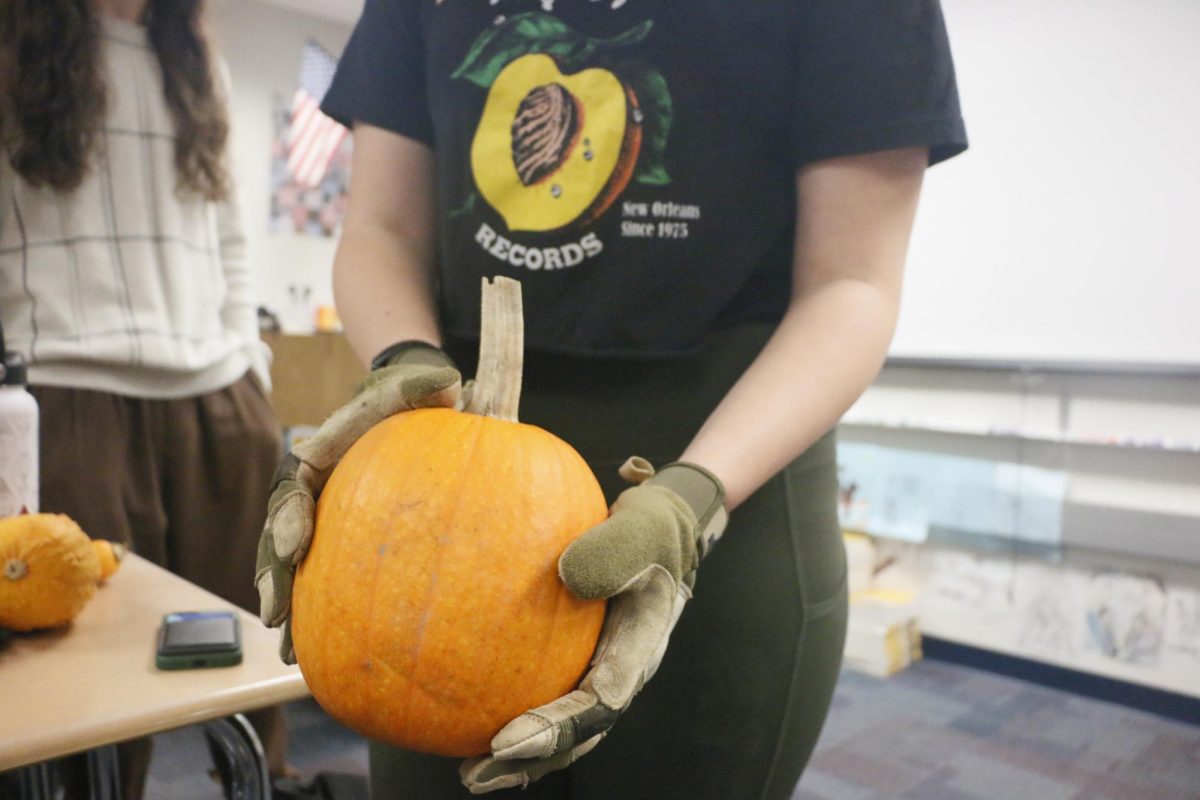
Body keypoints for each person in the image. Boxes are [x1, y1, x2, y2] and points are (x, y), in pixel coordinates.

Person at [256, 1, 967, 798]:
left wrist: (695, 497)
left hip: (728, 476)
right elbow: (382, 228)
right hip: (443, 479)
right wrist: (405, 361)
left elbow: (852, 283)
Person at [0, 0, 289, 797]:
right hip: (67, 395)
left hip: (219, 404)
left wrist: (249, 370)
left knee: (255, 676)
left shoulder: (198, 61)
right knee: (88, 703)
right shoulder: (12, 53)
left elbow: (232, 240)